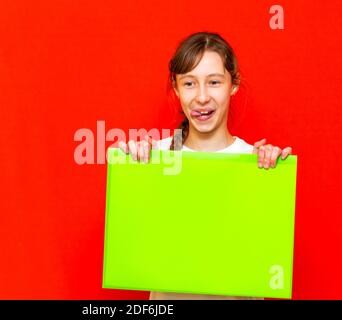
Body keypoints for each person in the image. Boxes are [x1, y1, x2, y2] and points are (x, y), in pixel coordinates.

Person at [118, 32, 292, 300]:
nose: (201, 97)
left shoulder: (255, 163)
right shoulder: (155, 158)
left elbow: (263, 257)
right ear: (175, 89)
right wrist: (133, 167)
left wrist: (271, 176)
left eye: (213, 82)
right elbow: (134, 245)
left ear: (233, 85)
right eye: (189, 83)